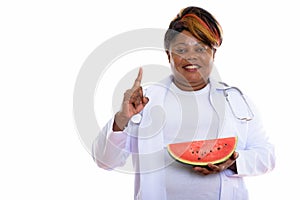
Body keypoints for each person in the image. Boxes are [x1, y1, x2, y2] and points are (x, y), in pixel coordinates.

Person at [92, 6, 275, 200]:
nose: (191, 56)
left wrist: (232, 161)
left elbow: (267, 156)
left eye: (200, 48)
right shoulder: (144, 102)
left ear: (213, 54)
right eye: (181, 49)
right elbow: (105, 161)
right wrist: (122, 118)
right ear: (168, 55)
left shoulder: (236, 100)